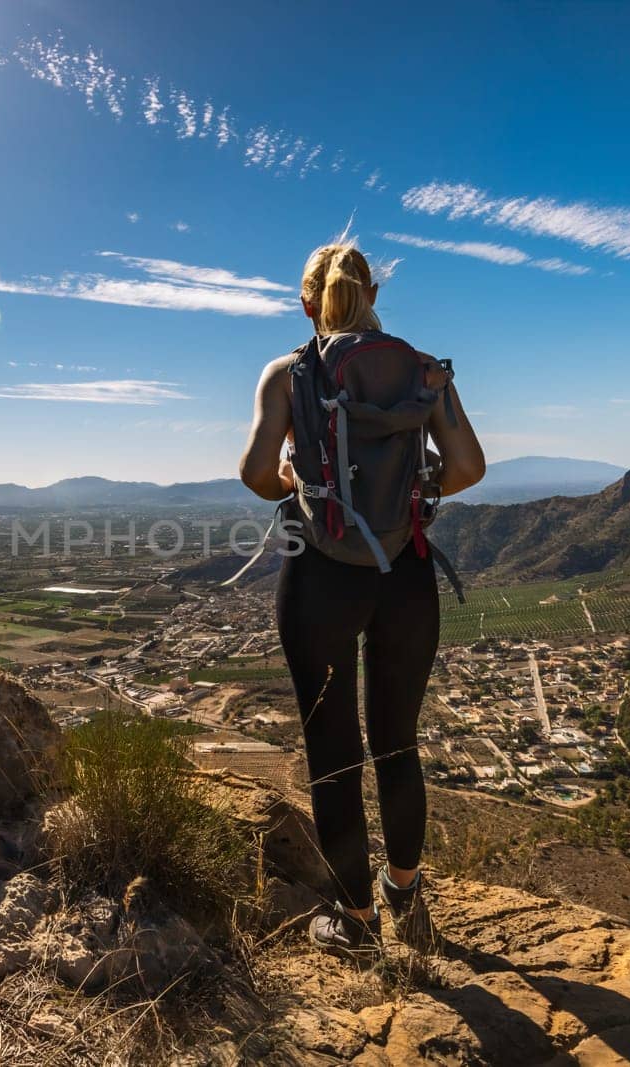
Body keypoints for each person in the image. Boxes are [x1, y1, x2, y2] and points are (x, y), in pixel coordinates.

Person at [237, 236, 485, 963]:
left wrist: (296, 481)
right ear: (374, 294)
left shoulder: (287, 374)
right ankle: (406, 896)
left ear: (307, 301)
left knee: (334, 752)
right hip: (405, 571)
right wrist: (420, 492)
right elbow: (468, 464)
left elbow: (255, 471)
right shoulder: (424, 371)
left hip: (320, 576)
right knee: (398, 742)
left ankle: (354, 918)